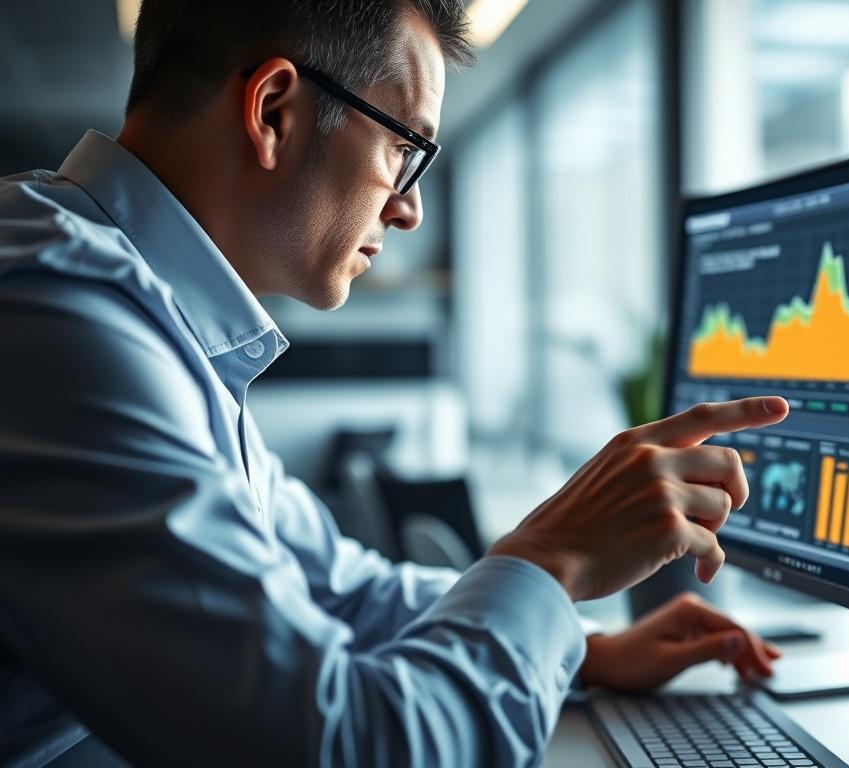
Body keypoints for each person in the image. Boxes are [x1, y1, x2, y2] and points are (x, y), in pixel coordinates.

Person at [0, 1, 789, 765]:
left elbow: (342, 593)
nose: (410, 209)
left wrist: (579, 647)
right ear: (275, 110)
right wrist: (554, 563)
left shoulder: (146, 321)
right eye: (407, 148)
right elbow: (347, 748)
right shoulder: (52, 308)